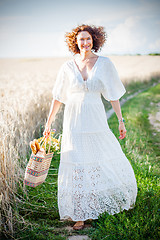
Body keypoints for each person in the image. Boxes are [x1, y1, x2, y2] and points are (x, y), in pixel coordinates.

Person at [43, 24, 137, 230]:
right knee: (76, 164)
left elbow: (113, 95)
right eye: (81, 39)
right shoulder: (67, 66)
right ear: (75, 42)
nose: (84, 42)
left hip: (95, 119)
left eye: (88, 39)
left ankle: (92, 207)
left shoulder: (104, 63)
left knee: (95, 160)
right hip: (73, 121)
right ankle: (79, 214)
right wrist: (49, 122)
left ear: (94, 40)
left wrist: (121, 121)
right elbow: (58, 97)